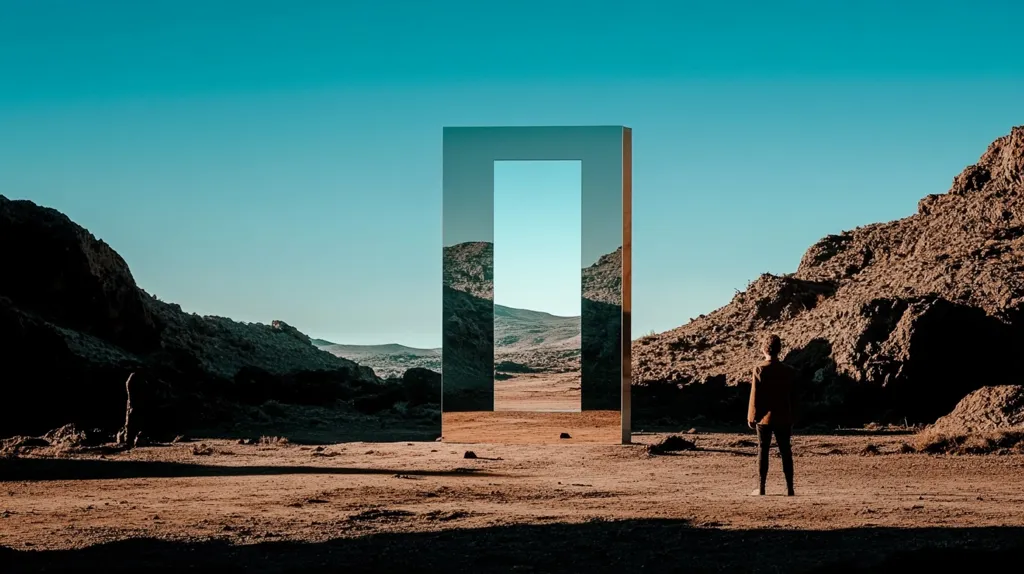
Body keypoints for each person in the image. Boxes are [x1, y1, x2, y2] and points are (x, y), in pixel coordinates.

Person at [747, 334, 797, 496]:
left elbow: (755, 396)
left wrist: (751, 417)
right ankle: (790, 488)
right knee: (785, 451)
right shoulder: (788, 371)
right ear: (779, 350)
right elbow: (794, 396)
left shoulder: (759, 369)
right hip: (784, 416)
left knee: (763, 449)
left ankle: (761, 487)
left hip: (764, 418)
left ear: (763, 349)